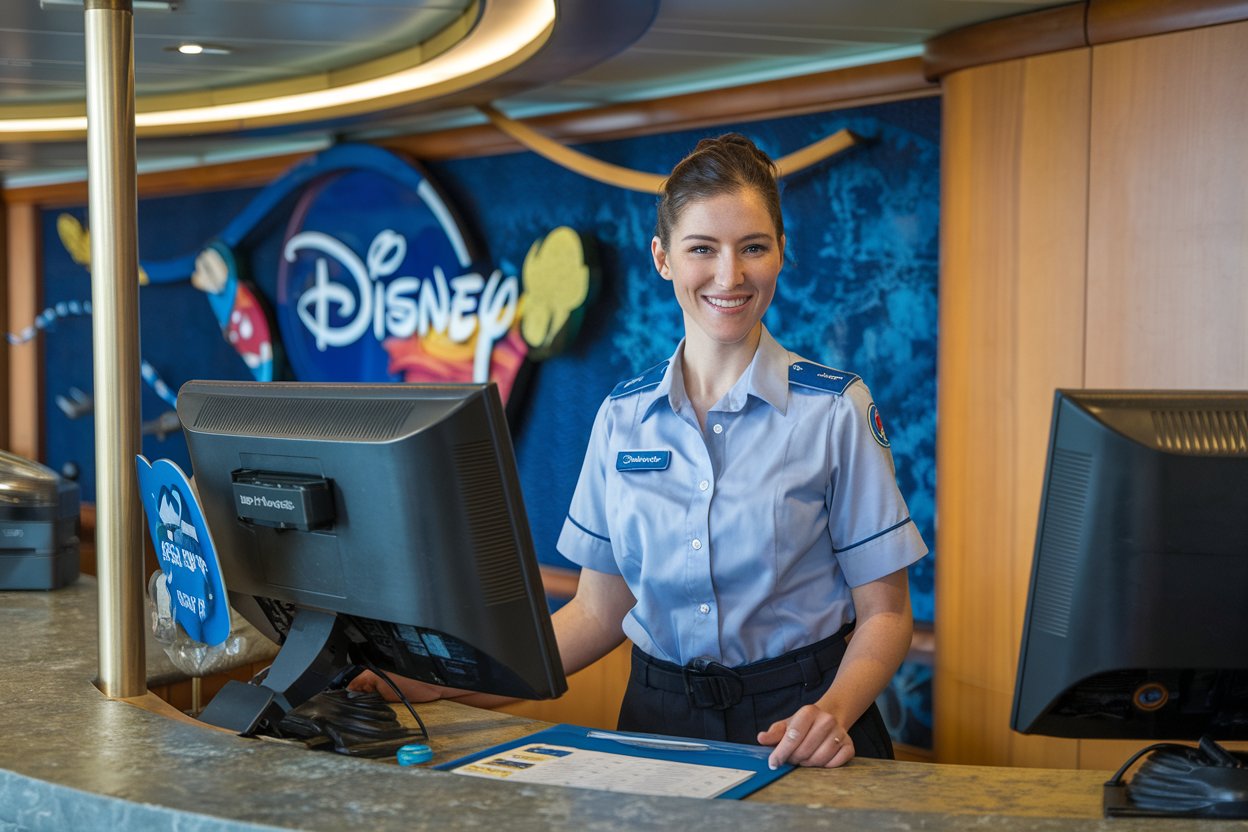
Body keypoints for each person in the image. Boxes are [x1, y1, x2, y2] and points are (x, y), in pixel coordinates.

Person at [351, 133, 928, 769]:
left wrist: (835, 711)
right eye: (702, 249)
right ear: (663, 258)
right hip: (656, 723)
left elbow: (886, 614)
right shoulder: (622, 417)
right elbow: (598, 612)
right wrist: (450, 678)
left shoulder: (835, 410)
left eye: (753, 248)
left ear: (781, 254)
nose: (729, 275)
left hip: (799, 725)